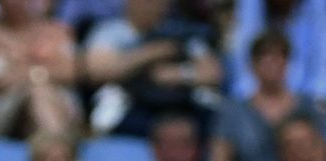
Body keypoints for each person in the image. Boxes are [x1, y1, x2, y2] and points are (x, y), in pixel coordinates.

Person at [79, 0, 223, 142]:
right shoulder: (111, 31)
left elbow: (213, 74)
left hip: (181, 107)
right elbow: (98, 72)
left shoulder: (181, 31)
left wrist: (177, 74)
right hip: (132, 110)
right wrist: (154, 52)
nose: (155, 6)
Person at [213, 29, 326, 161]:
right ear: (252, 65)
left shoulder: (308, 107)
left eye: (279, 57)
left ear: (288, 63)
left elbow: (322, 156)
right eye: (265, 58)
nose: (273, 63)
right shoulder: (234, 111)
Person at [0, 0, 82, 139]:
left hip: (62, 107)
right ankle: (58, 152)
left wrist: (24, 69)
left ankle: (55, 148)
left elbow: (73, 71)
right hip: (4, 116)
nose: (15, 3)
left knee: (42, 92)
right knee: (38, 92)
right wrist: (45, 69)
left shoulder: (55, 31)